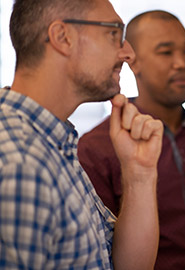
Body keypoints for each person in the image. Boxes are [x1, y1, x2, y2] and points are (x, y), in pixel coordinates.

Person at [0, 0, 164, 269]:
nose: (128, 54)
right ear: (63, 37)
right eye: (114, 33)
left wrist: (139, 174)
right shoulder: (20, 163)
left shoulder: (52, 142)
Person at [77, 10, 185, 269]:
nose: (182, 63)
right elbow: (98, 251)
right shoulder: (98, 147)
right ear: (133, 62)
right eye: (165, 52)